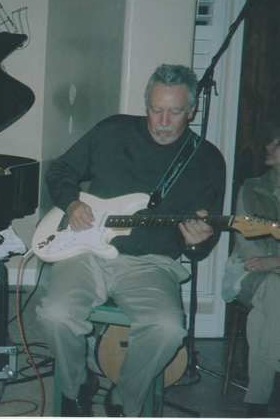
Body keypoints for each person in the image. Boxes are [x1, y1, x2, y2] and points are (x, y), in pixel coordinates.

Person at [35, 64, 226, 417]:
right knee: (55, 314)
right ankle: (76, 390)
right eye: (156, 110)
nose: (164, 122)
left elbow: (199, 247)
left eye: (175, 111)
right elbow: (60, 169)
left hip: (151, 262)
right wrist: (73, 202)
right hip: (86, 253)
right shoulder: (113, 131)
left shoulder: (208, 161)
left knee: (169, 328)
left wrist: (198, 240)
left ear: (193, 111)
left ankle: (124, 397)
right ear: (146, 106)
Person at [222, 123, 280, 418]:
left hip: (271, 278)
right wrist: (270, 265)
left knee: (264, 312)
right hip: (250, 274)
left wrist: (277, 263)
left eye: (276, 143)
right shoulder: (251, 187)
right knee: (273, 287)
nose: (267, 148)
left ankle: (257, 399)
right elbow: (246, 245)